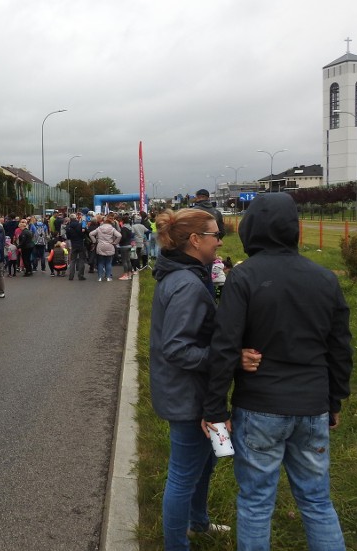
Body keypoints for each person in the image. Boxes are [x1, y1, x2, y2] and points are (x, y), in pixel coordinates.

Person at [203, 192, 353, 551]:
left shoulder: (243, 278)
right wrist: (334, 400)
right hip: (313, 404)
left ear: (251, 228)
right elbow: (340, 349)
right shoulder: (325, 279)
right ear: (294, 229)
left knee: (256, 502)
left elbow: (225, 346)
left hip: (259, 406)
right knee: (317, 500)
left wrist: (214, 409)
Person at [149, 207, 233, 550]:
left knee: (205, 463)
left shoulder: (187, 274)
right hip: (185, 395)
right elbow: (178, 348)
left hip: (188, 390)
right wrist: (227, 358)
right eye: (216, 235)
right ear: (196, 240)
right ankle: (176, 544)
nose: (220, 242)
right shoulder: (186, 284)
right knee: (183, 475)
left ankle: (198, 523)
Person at [91, 215, 121, 282]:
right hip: (109, 245)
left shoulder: (99, 228)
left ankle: (99, 277)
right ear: (110, 223)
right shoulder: (112, 229)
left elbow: (91, 234)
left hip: (100, 245)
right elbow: (119, 235)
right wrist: (115, 242)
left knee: (100, 262)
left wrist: (95, 241)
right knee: (108, 262)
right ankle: (108, 277)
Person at [64, 214, 88, 280]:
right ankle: (80, 275)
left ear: (70, 219)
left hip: (73, 244)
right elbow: (86, 233)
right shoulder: (80, 225)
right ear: (76, 218)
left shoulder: (68, 227)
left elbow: (68, 237)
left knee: (72, 260)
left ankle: (71, 276)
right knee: (81, 260)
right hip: (80, 244)